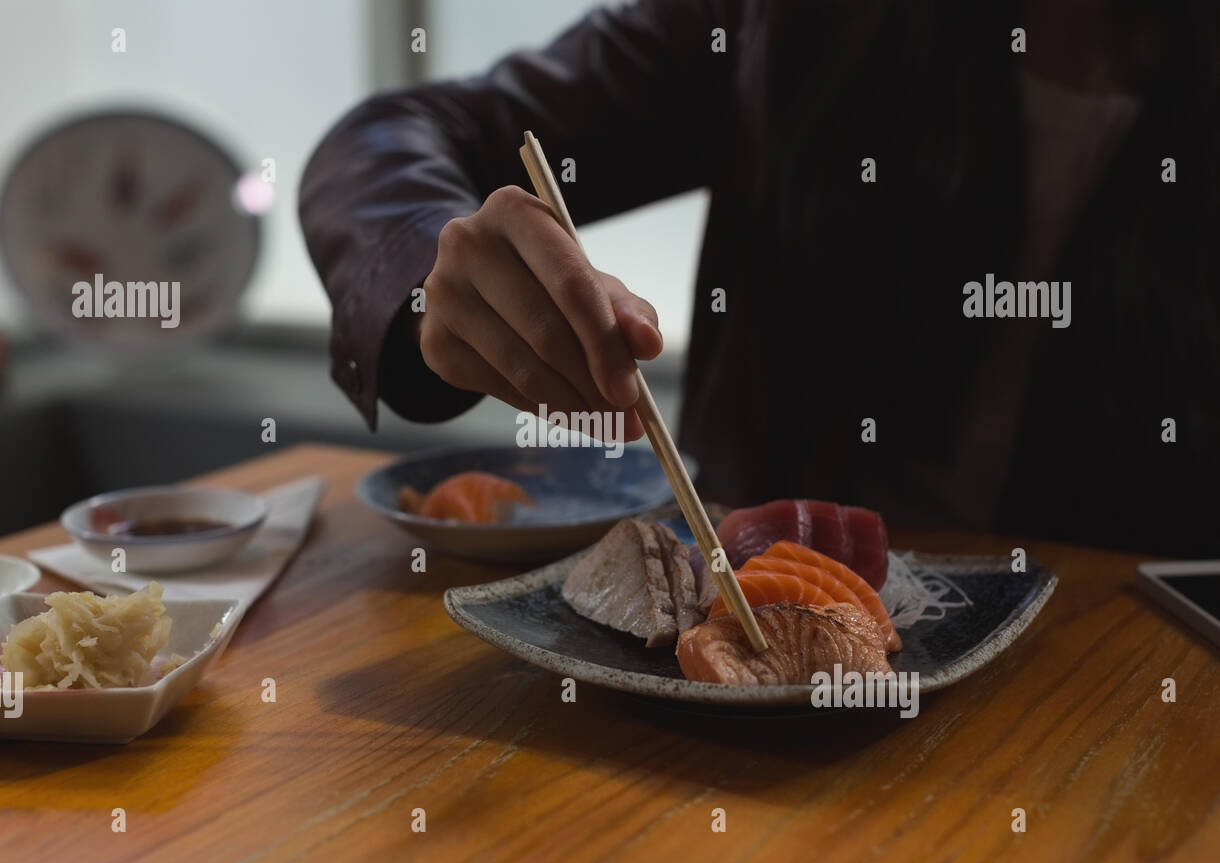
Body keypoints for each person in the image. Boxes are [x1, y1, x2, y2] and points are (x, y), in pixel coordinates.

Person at [300, 0, 1219, 556]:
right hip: (745, 682)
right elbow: (396, 133)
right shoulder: (788, 18)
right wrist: (435, 265)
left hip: (1128, 685)